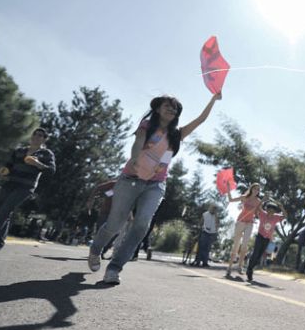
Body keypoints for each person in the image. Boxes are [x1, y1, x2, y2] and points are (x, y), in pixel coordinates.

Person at [87, 92, 222, 284]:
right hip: (130, 178)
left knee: (142, 224)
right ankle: (95, 249)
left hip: (155, 184)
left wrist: (212, 100)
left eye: (175, 108)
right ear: (158, 108)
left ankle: (114, 268)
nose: (171, 109)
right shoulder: (147, 126)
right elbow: (138, 142)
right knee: (115, 225)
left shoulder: (176, 134)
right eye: (167, 105)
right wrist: (134, 158)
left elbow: (200, 119)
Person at [0, 128, 56, 250]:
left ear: (44, 139)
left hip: (25, 187)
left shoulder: (46, 154)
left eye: (40, 135)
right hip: (10, 184)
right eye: (35, 134)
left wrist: (38, 164)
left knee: (4, 212)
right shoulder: (20, 150)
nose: (36, 137)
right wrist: (5, 170)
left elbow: (51, 170)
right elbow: (9, 165)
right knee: (4, 212)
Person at [225, 183, 263, 277]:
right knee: (236, 245)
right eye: (255, 189)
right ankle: (229, 267)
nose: (256, 191)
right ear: (251, 189)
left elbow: (261, 213)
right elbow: (231, 200)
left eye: (258, 189)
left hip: (250, 223)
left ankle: (239, 266)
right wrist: (229, 189)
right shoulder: (244, 197)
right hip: (240, 222)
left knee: (244, 246)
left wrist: (270, 215)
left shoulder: (258, 201)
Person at [246, 200, 285, 282]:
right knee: (255, 253)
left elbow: (285, 216)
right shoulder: (263, 214)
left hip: (267, 239)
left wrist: (281, 207)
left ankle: (251, 267)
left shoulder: (276, 217)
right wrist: (263, 199)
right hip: (260, 236)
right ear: (266, 209)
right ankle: (249, 270)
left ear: (275, 211)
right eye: (269, 210)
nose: (270, 212)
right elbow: (258, 208)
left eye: (273, 210)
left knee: (259, 255)